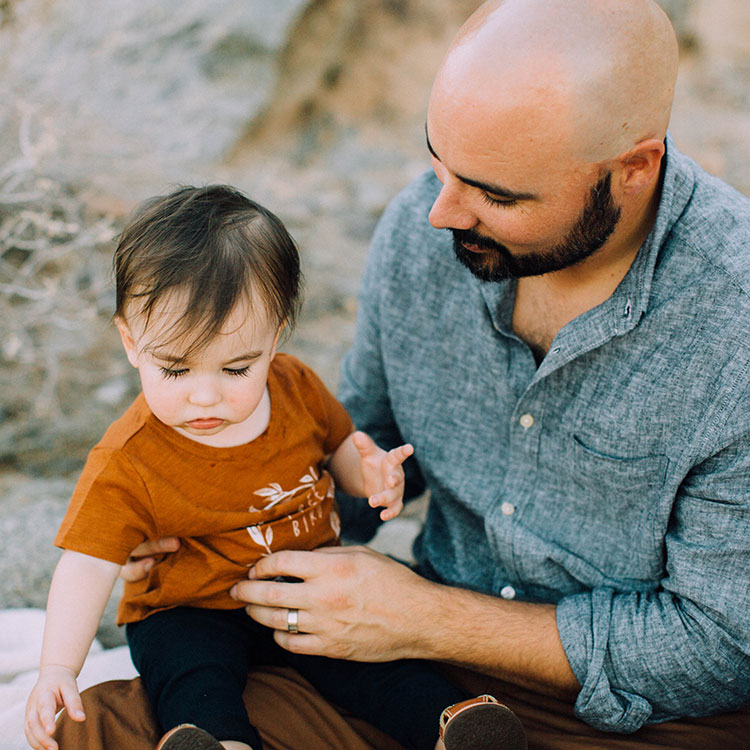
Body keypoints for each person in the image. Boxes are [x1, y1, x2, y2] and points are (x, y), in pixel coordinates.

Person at [54, 0, 750, 748]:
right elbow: (350, 446)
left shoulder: (731, 320)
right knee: (101, 730)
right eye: (439, 162)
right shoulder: (426, 230)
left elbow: (721, 646)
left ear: (633, 170)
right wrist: (208, 520)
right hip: (422, 674)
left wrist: (428, 617)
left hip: (653, 714)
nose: (440, 213)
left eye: (496, 194)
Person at [25, 185, 524, 750]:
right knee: (192, 674)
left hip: (303, 588)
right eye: (176, 370)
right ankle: (219, 742)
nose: (205, 397)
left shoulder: (295, 387)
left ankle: (453, 724)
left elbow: (340, 451)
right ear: (131, 342)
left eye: (236, 369)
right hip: (190, 605)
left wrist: (374, 475)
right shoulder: (128, 460)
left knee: (374, 663)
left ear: (276, 335)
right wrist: (58, 668)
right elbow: (85, 567)